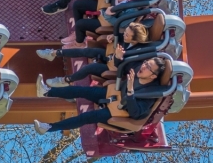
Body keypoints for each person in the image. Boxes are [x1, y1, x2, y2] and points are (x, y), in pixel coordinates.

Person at [33, 57, 166, 133]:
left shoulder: (150, 93)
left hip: (121, 112)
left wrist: (130, 90)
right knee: (82, 90)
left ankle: (49, 128)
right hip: (116, 95)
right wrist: (118, 57)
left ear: (153, 76)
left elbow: (136, 112)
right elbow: (121, 66)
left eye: (148, 68)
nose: (144, 67)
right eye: (146, 63)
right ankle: (46, 92)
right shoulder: (138, 69)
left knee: (86, 117)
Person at [38, 21, 149, 86]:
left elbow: (124, 68)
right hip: (111, 56)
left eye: (127, 35)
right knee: (87, 51)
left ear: (135, 40)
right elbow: (122, 37)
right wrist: (113, 36)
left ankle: (65, 80)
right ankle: (53, 53)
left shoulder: (138, 54)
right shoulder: (127, 38)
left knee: (89, 68)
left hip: (115, 67)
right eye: (125, 33)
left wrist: (119, 57)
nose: (124, 35)